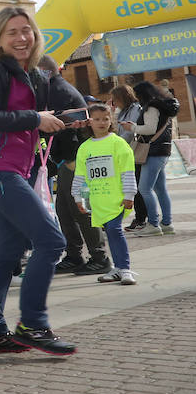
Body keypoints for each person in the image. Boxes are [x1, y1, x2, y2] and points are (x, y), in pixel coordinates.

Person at [0, 6, 74, 357]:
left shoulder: (35, 76)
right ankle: (33, 323)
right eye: (12, 32)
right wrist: (35, 118)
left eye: (26, 30)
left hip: (19, 168)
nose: (21, 37)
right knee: (51, 240)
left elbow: (32, 120)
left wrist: (61, 121)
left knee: (7, 253)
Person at [38, 56, 109, 275]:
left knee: (81, 209)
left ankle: (100, 257)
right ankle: (74, 255)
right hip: (68, 158)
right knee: (65, 210)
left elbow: (54, 124)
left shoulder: (58, 91)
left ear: (45, 72)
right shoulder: (55, 88)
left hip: (75, 159)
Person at [72, 104, 138, 284]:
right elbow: (81, 175)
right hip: (98, 201)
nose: (102, 122)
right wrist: (79, 197)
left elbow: (127, 171)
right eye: (97, 119)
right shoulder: (84, 148)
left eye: (106, 119)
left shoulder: (118, 143)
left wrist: (129, 195)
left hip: (116, 199)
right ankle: (117, 268)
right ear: (89, 122)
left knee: (115, 230)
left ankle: (125, 269)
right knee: (110, 232)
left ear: (111, 121)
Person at [124, 81, 179, 236]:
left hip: (153, 151)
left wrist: (132, 127)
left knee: (144, 188)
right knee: (160, 189)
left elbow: (150, 128)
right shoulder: (163, 107)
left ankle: (153, 224)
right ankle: (167, 223)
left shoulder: (152, 107)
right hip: (163, 149)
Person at [110, 84, 147, 230]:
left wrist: (117, 144)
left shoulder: (135, 109)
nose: (114, 103)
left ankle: (141, 218)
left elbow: (130, 131)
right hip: (124, 150)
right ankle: (139, 217)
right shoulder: (123, 110)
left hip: (131, 151)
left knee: (136, 186)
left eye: (115, 99)